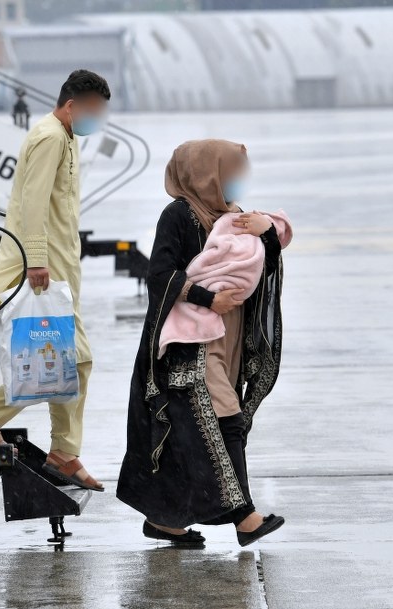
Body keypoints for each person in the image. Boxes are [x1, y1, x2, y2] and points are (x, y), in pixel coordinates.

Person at [0, 69, 110, 492]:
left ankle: (59, 450)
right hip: (42, 268)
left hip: (60, 267)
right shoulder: (51, 136)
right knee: (70, 360)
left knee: (66, 361)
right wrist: (36, 260)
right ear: (72, 105)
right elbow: (33, 202)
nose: (96, 120)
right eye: (92, 111)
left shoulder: (64, 136)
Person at [117, 139, 291, 546]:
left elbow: (260, 266)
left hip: (228, 335)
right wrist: (208, 298)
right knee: (225, 417)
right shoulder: (178, 215)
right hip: (190, 342)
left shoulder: (235, 216)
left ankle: (165, 521)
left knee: (190, 431)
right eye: (229, 173)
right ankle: (245, 517)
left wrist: (267, 234)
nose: (236, 182)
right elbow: (160, 274)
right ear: (205, 173)